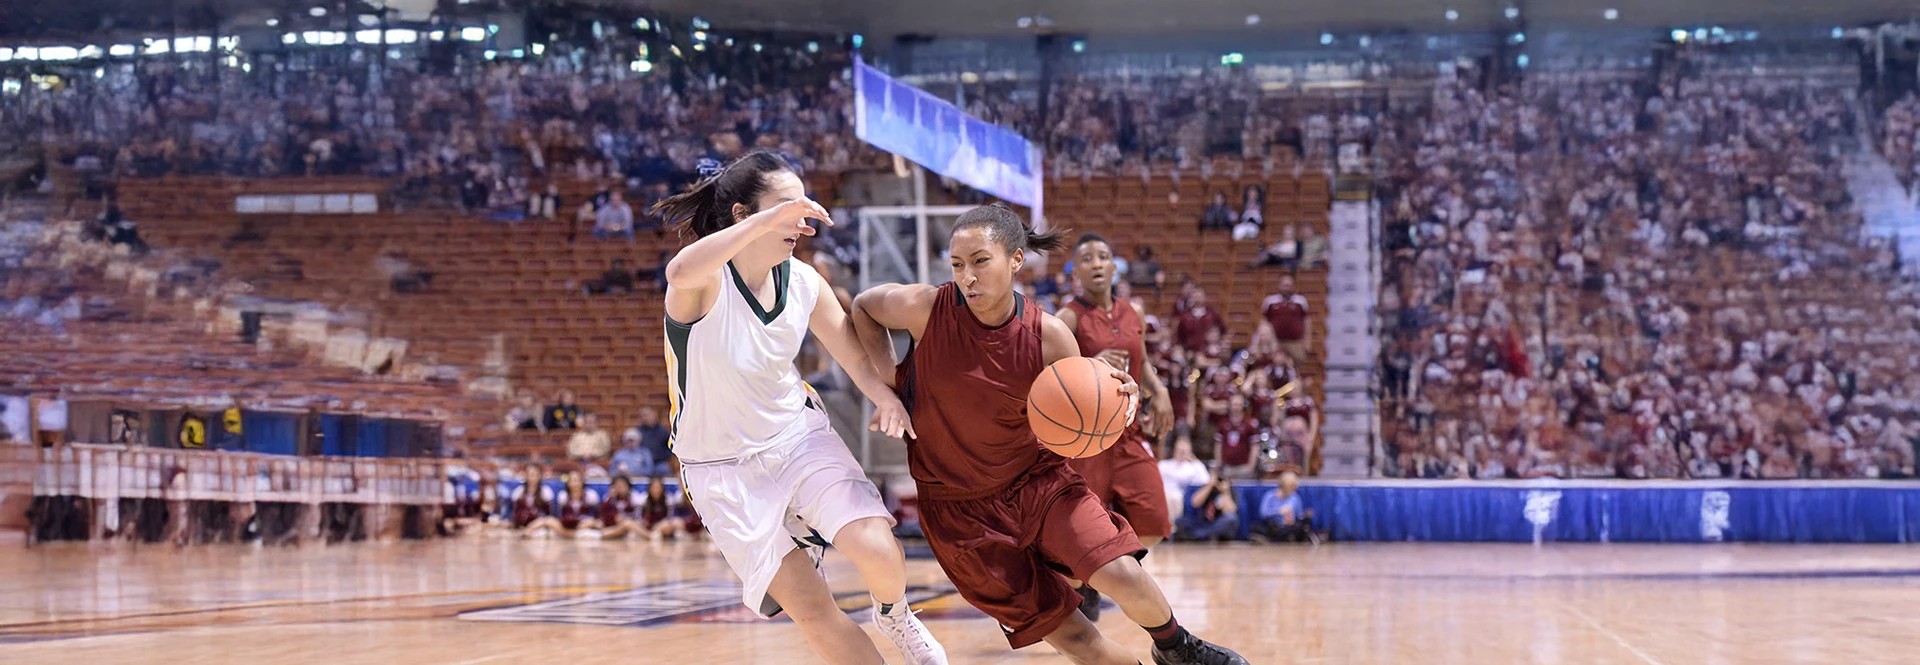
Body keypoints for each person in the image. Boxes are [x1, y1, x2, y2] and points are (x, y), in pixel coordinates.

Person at [851, 204, 1246, 665]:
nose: (967, 277)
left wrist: (1117, 400)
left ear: (1016, 259)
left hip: (1036, 484)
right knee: (1078, 641)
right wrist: (888, 386)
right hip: (958, 515)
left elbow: (1082, 416)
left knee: (1120, 570)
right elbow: (863, 308)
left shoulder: (1050, 336)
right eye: (957, 265)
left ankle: (1177, 646)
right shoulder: (926, 308)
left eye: (981, 261)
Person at [652, 151, 946, 664]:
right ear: (745, 215)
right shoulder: (705, 283)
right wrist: (771, 217)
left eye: (804, 202)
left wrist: (883, 398)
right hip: (720, 469)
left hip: (795, 437)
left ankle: (895, 614)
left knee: (877, 547)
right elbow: (678, 268)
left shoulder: (805, 281)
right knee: (813, 612)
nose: (803, 214)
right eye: (789, 205)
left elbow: (852, 353)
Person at [1058, 233, 1176, 621]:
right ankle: (1080, 581)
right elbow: (1045, 370)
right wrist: (1088, 360)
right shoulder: (1068, 317)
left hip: (1127, 429)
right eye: (1087, 258)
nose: (1096, 263)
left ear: (1113, 267)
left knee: (1155, 520)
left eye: (1103, 257)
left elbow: (1141, 363)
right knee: (1078, 531)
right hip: (1086, 436)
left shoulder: (1134, 313)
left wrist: (1159, 391)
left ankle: (1094, 578)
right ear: (1075, 272)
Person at [1252, 471, 1312, 543]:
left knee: (1301, 525)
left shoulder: (1295, 497)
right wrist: (1278, 511)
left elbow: (1299, 514)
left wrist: (1305, 515)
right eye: (1292, 487)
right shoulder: (1270, 496)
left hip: (1290, 526)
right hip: (1274, 526)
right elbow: (1263, 513)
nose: (1294, 490)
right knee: (1260, 527)